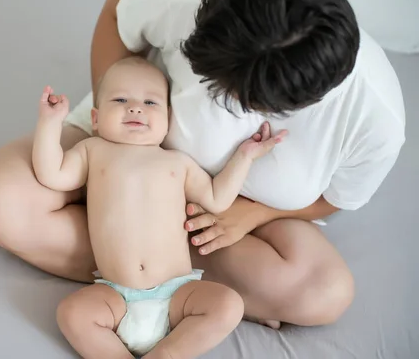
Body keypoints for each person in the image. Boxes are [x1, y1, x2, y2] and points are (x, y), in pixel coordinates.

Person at [0, 0, 406, 329]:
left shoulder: (375, 118)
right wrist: (113, 135)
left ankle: (145, 268)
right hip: (124, 152)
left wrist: (251, 213)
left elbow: (334, 198)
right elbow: (117, 14)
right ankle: (159, 280)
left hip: (224, 220)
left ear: (295, 103)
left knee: (324, 292)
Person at [33, 57, 287, 358]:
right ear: (96, 119)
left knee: (229, 304)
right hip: (116, 295)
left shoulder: (176, 163)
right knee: (72, 313)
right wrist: (50, 123)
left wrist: (244, 158)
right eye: (120, 99)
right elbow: (52, 173)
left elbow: (218, 198)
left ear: (168, 120)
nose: (135, 108)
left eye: (150, 102)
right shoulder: (93, 151)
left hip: (177, 294)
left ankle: (168, 354)